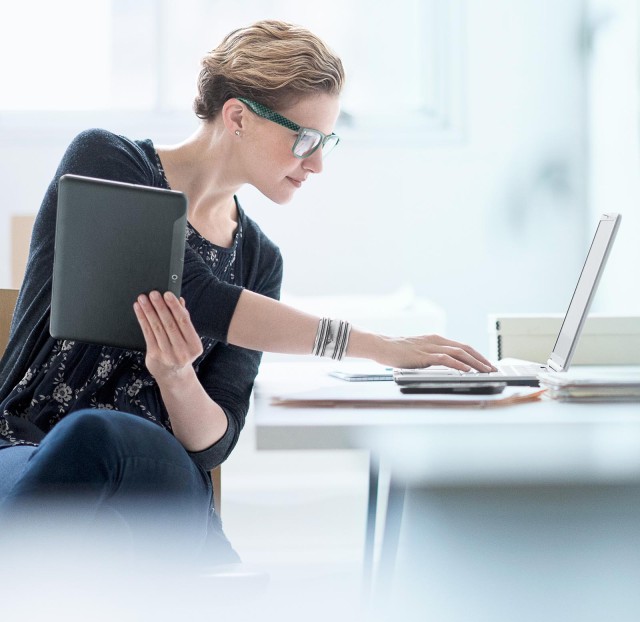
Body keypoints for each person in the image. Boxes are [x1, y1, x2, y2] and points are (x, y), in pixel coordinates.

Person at [0, 20, 494, 563]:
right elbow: (195, 293)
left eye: (325, 141)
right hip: (21, 447)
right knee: (83, 438)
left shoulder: (260, 261)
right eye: (303, 138)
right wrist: (381, 346)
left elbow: (214, 442)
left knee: (98, 434)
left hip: (156, 472)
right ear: (237, 116)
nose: (317, 163)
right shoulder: (106, 163)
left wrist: (177, 377)